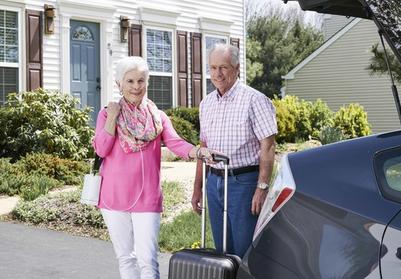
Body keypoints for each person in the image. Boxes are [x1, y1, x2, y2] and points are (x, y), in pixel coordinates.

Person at [93, 56, 215, 279]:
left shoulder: (157, 117)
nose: (136, 86)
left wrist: (198, 151)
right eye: (130, 81)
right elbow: (101, 149)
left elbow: (176, 143)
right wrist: (112, 117)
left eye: (141, 80)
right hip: (113, 197)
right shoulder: (106, 114)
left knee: (147, 259)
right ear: (119, 84)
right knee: (126, 258)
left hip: (147, 196)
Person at [191, 44, 277, 258]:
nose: (217, 74)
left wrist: (262, 187)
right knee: (222, 251)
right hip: (214, 181)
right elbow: (203, 147)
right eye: (213, 68)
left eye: (224, 67)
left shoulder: (255, 100)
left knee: (245, 250)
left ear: (237, 68)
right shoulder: (206, 103)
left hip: (243, 183)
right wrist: (197, 188)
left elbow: (268, 146)